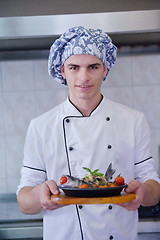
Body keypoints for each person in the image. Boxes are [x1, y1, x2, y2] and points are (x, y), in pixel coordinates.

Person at [17, 26, 160, 240]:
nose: (84, 77)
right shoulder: (41, 126)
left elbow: (153, 189)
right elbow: (24, 203)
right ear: (62, 70)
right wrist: (39, 195)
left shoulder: (133, 120)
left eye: (93, 66)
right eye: (74, 67)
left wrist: (142, 192)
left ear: (105, 69)